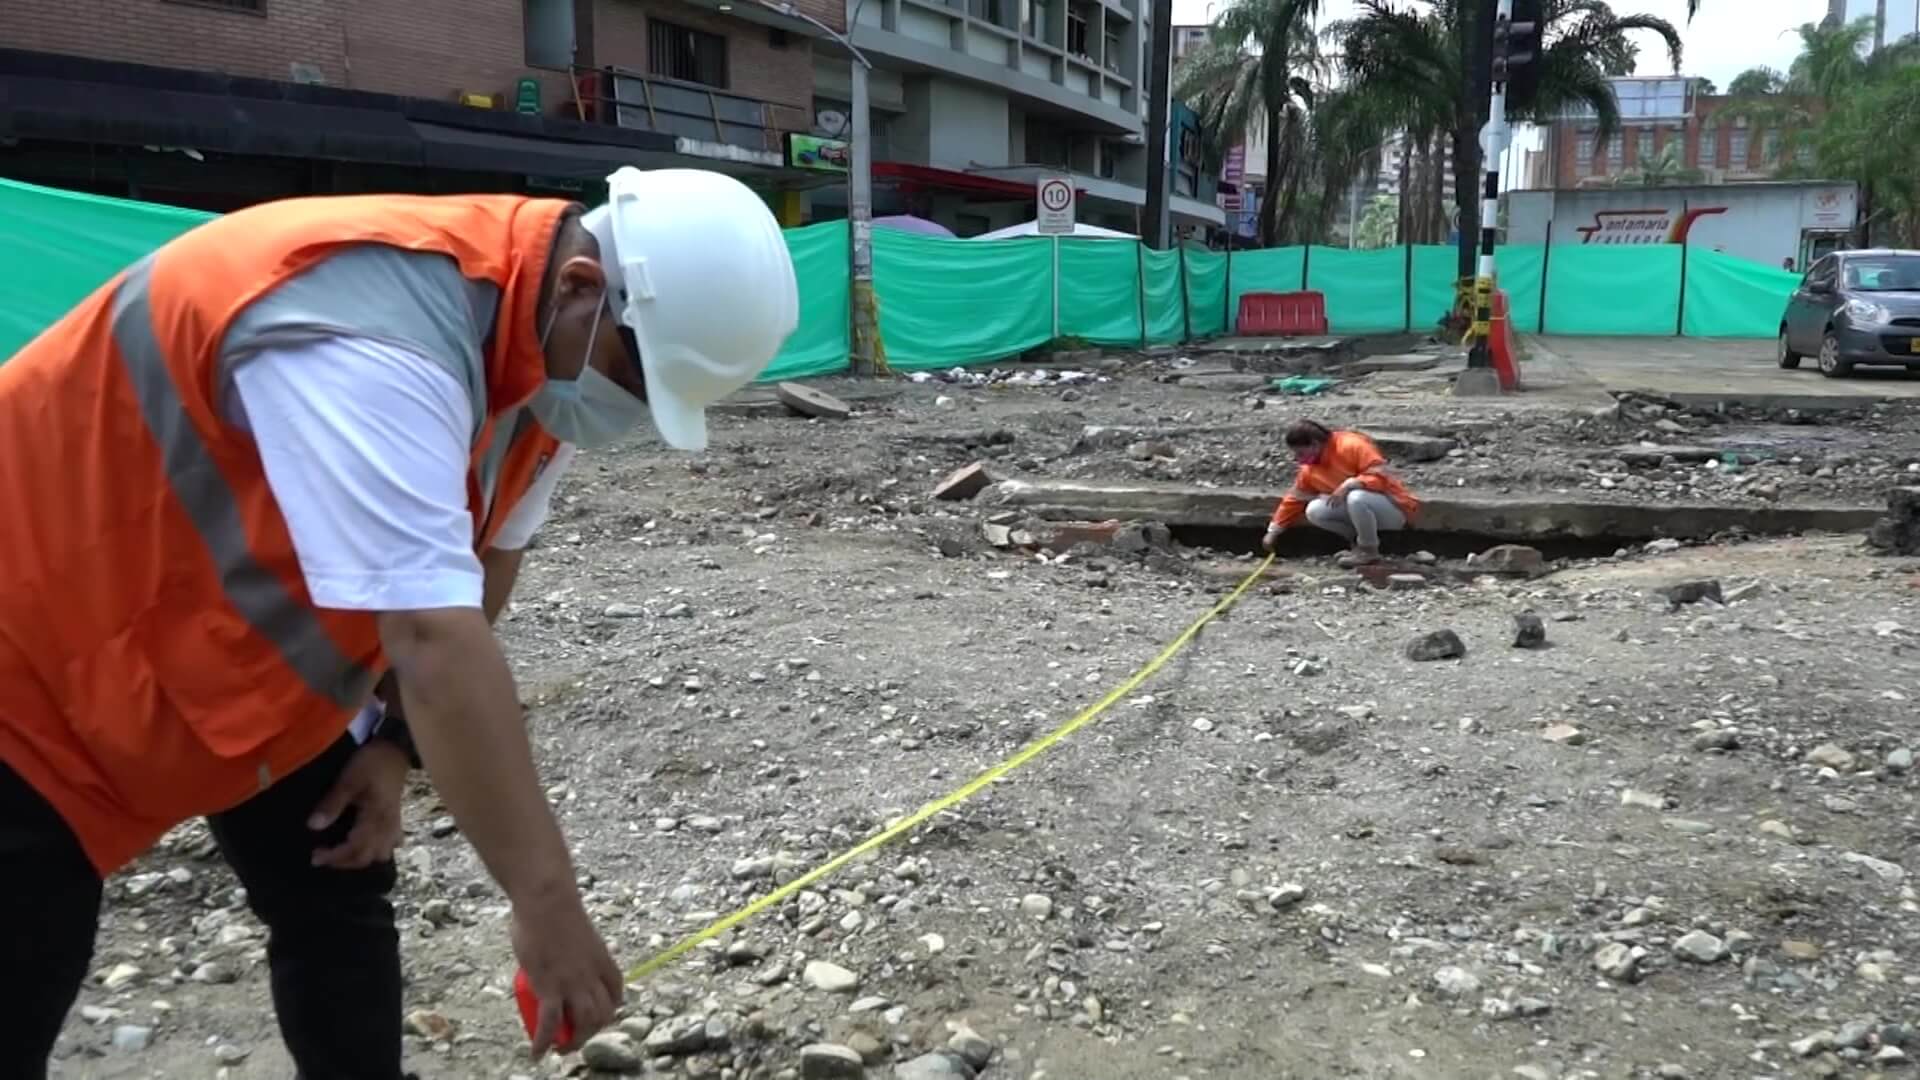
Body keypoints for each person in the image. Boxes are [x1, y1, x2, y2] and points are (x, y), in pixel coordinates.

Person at [0, 165, 799, 1079]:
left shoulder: (542, 355)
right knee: (26, 956)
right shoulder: (373, 339)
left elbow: (489, 557)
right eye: (637, 376)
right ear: (582, 285)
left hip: (218, 666)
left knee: (337, 887)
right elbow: (432, 636)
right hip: (32, 666)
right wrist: (547, 907)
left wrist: (391, 746)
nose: (630, 411)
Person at [1261, 420, 1419, 566]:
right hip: (1362, 511)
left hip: (1394, 508)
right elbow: (1295, 498)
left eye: (1300, 453)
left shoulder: (1352, 445)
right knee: (1315, 510)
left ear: (1315, 444)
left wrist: (1351, 484)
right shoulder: (1310, 468)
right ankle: (1357, 545)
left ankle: (1369, 551)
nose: (1297, 459)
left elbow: (1380, 477)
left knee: (1356, 497)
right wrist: (1273, 531)